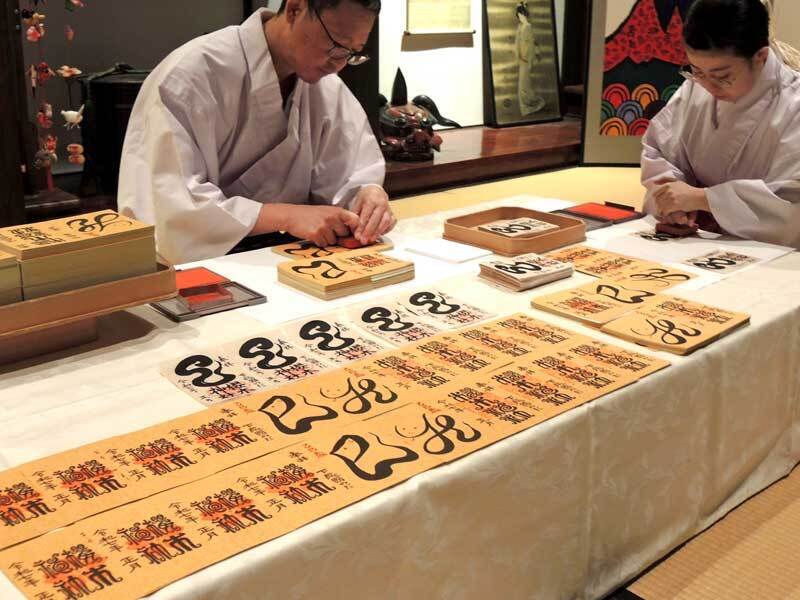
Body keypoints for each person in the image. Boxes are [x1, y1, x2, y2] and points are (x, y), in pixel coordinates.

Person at [118, 0, 395, 264]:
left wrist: (367, 196)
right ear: (296, 9)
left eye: (352, 52)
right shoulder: (190, 75)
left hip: (289, 258)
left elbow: (351, 171)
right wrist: (285, 216)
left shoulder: (326, 87)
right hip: (201, 266)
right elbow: (172, 207)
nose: (340, 63)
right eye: (335, 44)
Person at [641, 0, 800, 248]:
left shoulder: (794, 104)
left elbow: (791, 206)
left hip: (768, 255)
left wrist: (704, 200)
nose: (708, 86)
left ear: (760, 57)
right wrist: (670, 200)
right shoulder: (697, 86)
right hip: (696, 243)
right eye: (696, 71)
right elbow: (660, 152)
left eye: (722, 77)